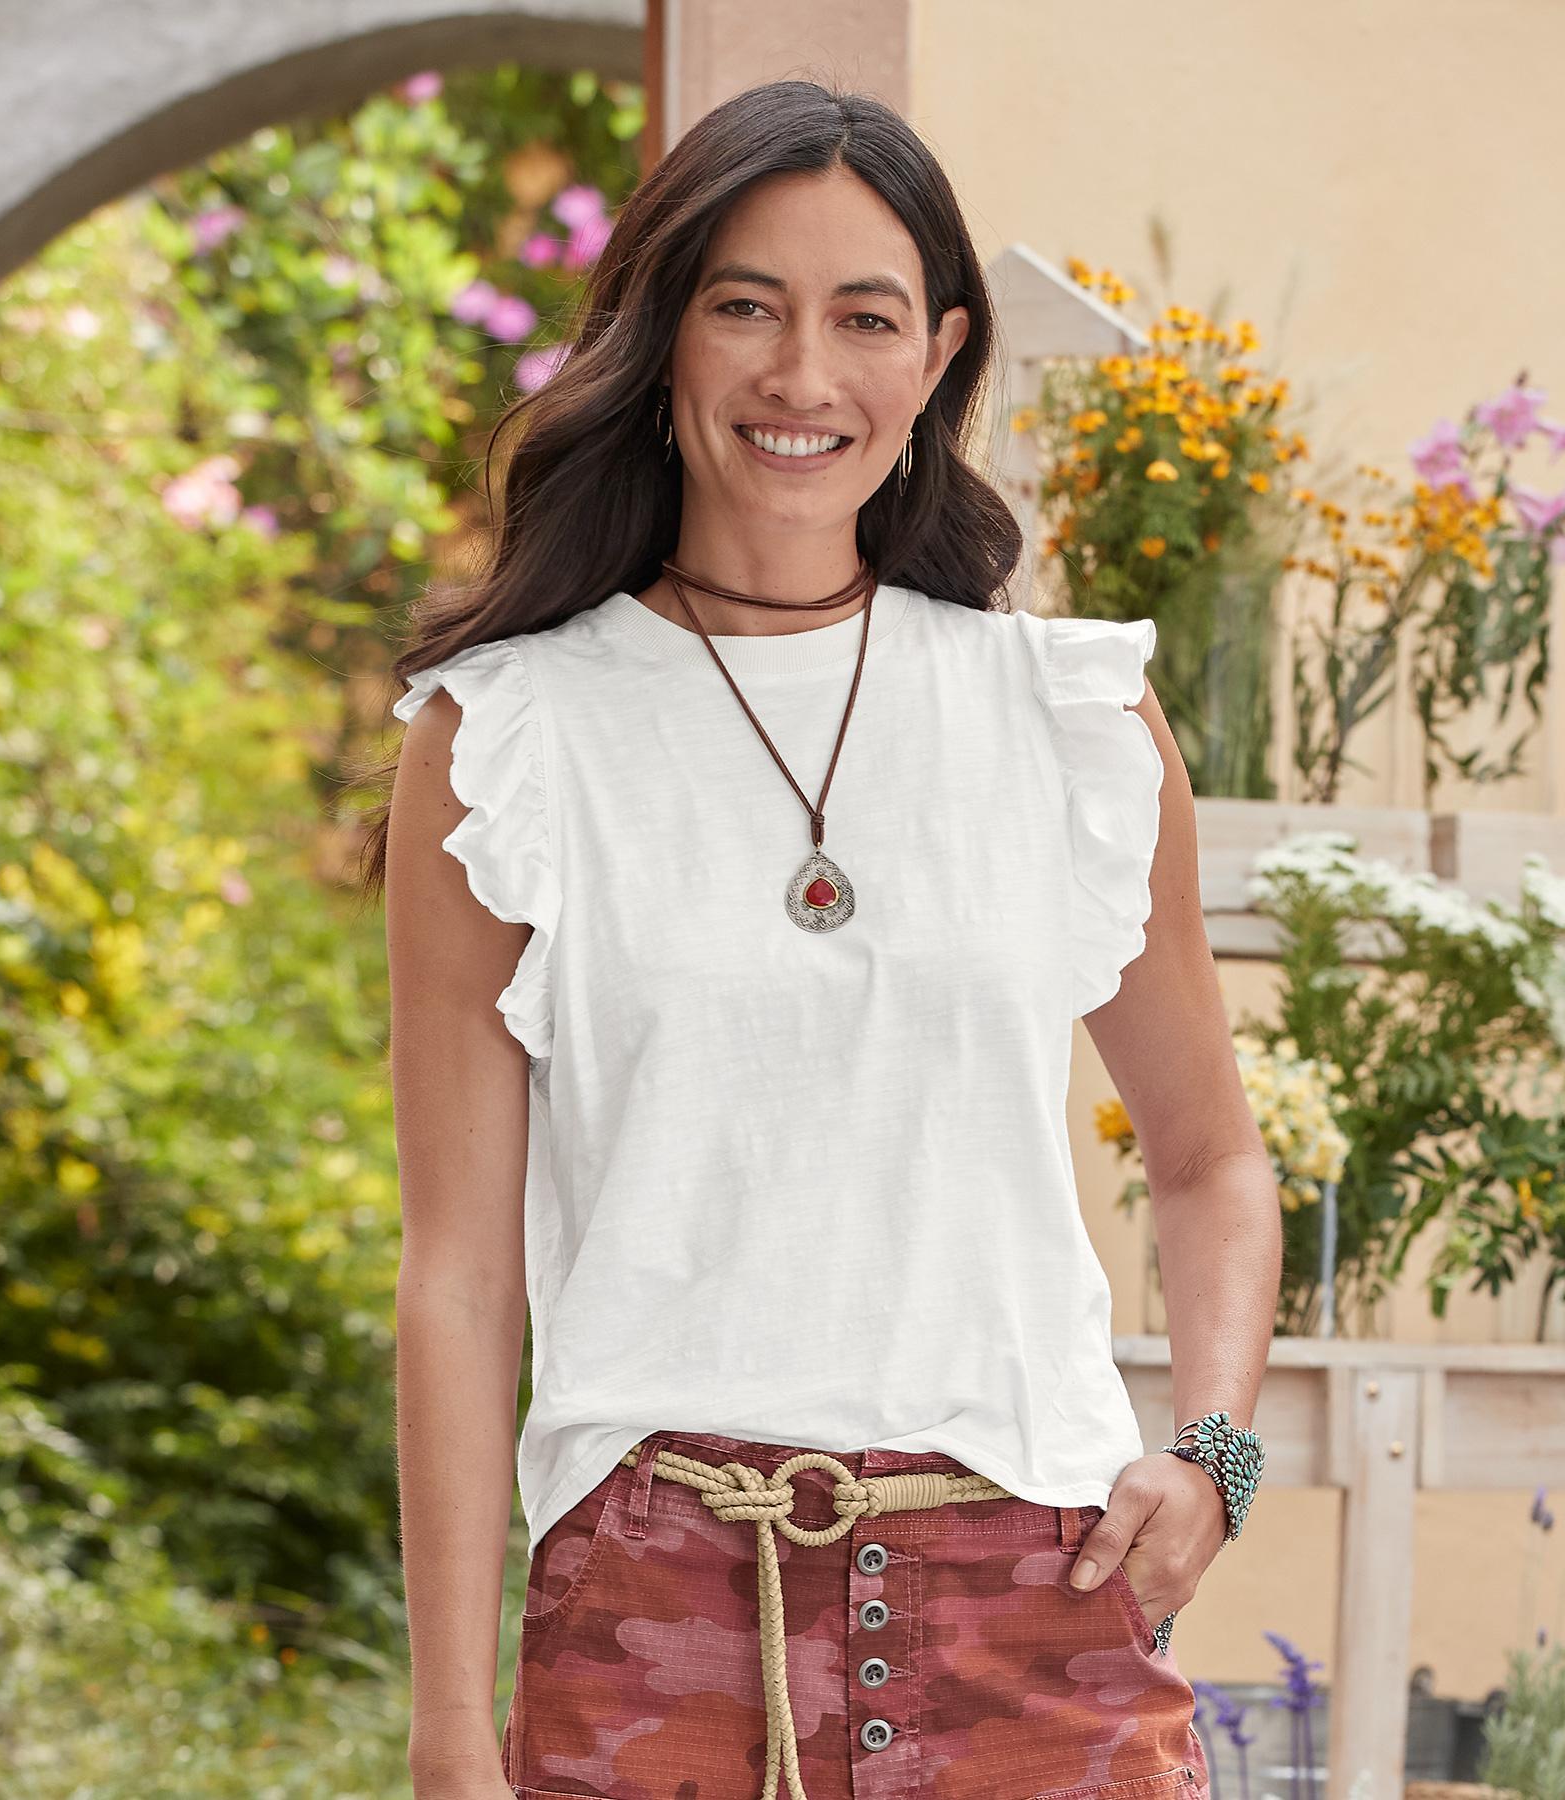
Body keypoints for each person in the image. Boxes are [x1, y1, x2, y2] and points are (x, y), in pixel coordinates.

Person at [371, 76, 1281, 1800]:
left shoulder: (1071, 719)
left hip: (1040, 1611)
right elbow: (460, 1278)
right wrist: (449, 1730)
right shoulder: (507, 743)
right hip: (655, 1614)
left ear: (938, 356)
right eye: (745, 307)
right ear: (662, 336)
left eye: (864, 318)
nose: (803, 375)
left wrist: (1214, 1454)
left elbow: (1210, 1157)